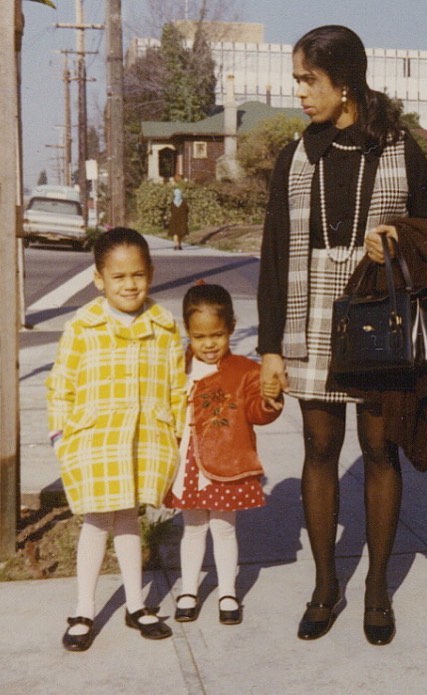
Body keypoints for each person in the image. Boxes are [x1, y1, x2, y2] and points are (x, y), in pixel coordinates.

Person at [257, 25, 427, 646]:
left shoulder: (400, 149)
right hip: (309, 315)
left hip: (377, 315)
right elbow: (274, 254)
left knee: (381, 449)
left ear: (345, 81)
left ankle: (376, 588)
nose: (301, 94)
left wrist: (395, 240)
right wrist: (268, 351)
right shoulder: (296, 154)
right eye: (298, 82)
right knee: (317, 448)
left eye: (309, 81)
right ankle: (324, 585)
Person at [46, 226, 186, 651]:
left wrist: (177, 434)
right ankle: (84, 609)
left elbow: (176, 385)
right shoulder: (82, 326)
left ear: (151, 273)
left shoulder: (164, 325)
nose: (130, 285)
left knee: (128, 519)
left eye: (138, 275)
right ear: (99, 279)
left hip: (144, 438)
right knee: (95, 521)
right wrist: (60, 435)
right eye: (119, 277)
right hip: (95, 440)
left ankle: (135, 603)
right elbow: (61, 385)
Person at [164, 283, 283, 625]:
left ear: (231, 327)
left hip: (227, 463)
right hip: (187, 462)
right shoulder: (178, 366)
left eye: (217, 334)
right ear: (188, 332)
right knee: (193, 528)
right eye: (200, 337)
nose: (209, 344)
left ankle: (228, 591)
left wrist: (269, 398)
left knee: (224, 528)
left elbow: (257, 413)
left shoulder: (245, 370)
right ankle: (189, 590)